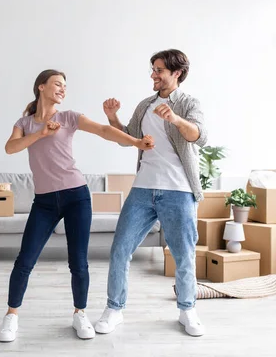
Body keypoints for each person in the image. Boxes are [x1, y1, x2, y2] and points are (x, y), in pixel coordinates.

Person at [0, 69, 154, 342]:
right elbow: (11, 148)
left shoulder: (69, 117)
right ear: (41, 87)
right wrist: (42, 132)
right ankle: (11, 316)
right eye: (57, 84)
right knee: (25, 260)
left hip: (76, 196)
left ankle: (79, 314)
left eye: (65, 86)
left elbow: (104, 130)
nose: (62, 89)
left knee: (78, 262)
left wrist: (137, 143)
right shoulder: (24, 123)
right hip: (44, 202)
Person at [95, 49, 208, 337]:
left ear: (177, 73)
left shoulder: (189, 103)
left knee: (183, 255)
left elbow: (200, 136)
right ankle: (114, 309)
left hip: (179, 190)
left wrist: (175, 119)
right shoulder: (145, 105)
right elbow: (128, 139)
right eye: (153, 69)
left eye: (159, 70)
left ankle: (187, 311)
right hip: (143, 188)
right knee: (120, 249)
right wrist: (112, 117)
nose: (153, 75)